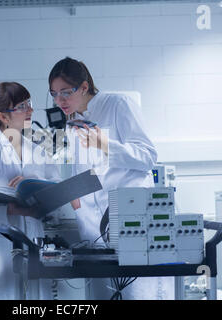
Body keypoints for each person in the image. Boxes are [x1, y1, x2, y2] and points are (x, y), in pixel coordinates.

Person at [48, 57, 173, 300]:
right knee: (100, 295)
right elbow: (85, 173)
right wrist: (66, 195)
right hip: (93, 231)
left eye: (65, 92)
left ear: (84, 87)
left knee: (139, 294)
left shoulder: (118, 104)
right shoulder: (73, 120)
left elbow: (147, 156)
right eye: (54, 94)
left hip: (129, 220)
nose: (59, 100)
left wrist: (106, 145)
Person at [0, 82, 69, 300]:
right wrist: (13, 209)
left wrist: (36, 185)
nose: (30, 110)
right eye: (22, 106)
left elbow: (58, 191)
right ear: (3, 117)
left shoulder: (39, 151)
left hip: (36, 250)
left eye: (29, 103)